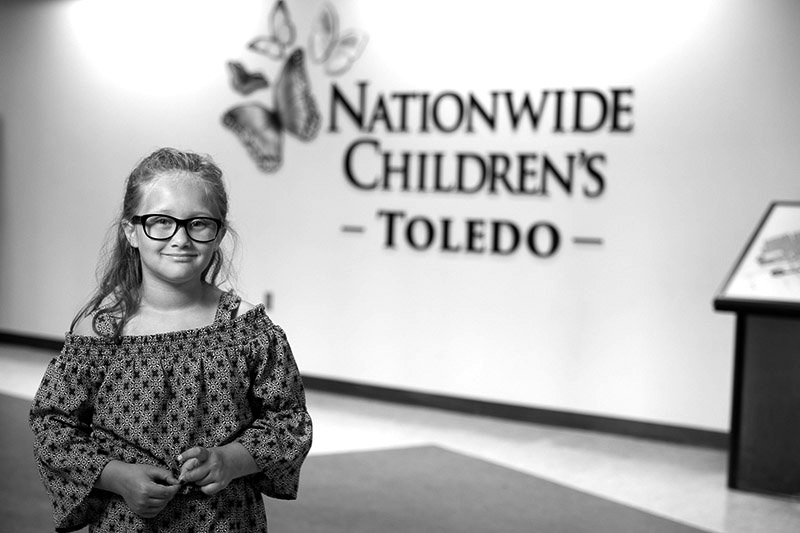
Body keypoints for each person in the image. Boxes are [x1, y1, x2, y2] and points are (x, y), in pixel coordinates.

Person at [29, 147, 313, 532]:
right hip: (125, 522)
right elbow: (52, 426)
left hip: (226, 521)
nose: (180, 238)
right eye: (161, 222)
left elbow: (289, 422)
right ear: (131, 231)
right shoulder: (100, 332)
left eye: (198, 223)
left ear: (219, 233)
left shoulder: (247, 329)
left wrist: (230, 459)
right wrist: (116, 476)